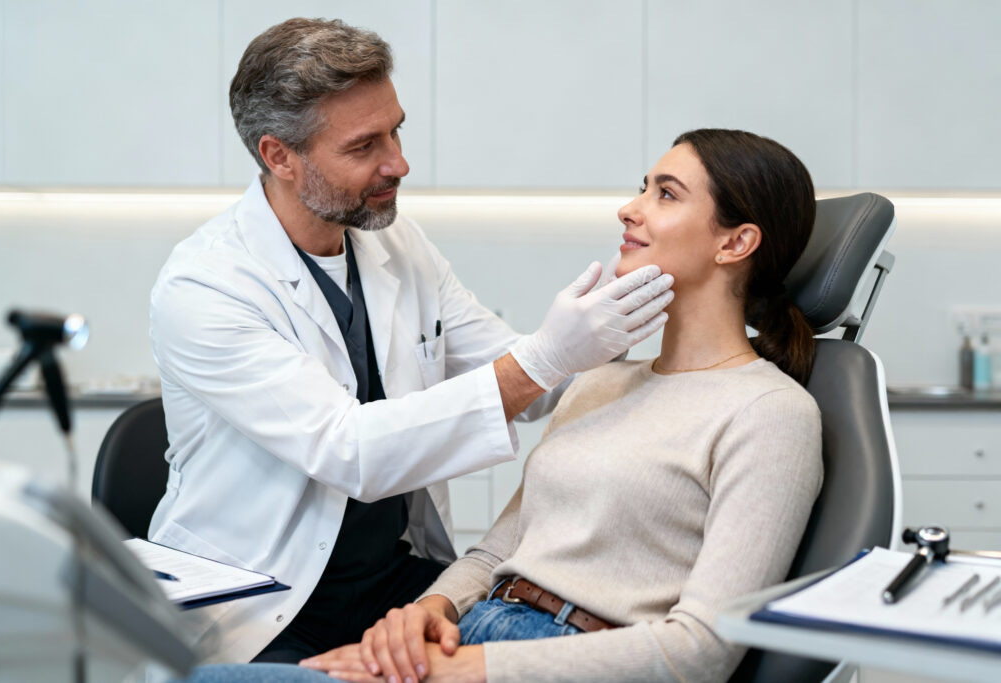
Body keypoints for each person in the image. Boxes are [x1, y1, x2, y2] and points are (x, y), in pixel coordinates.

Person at [148, 17, 673, 667]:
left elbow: (530, 383)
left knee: (537, 642)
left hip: (392, 582)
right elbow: (351, 450)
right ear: (279, 155)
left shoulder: (396, 243)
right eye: (365, 145)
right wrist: (549, 355)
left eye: (396, 129)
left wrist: (640, 347)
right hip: (260, 602)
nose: (398, 162)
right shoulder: (206, 285)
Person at [275, 127, 822, 683]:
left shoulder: (770, 412)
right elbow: (495, 556)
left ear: (735, 243)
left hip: (567, 658)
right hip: (474, 629)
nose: (628, 210)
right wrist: (425, 614)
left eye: (666, 194)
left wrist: (474, 668)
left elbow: (701, 650)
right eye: (642, 188)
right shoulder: (597, 381)